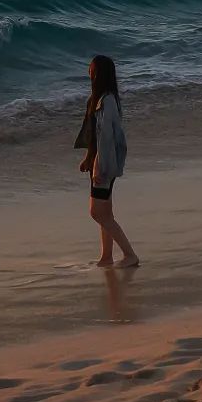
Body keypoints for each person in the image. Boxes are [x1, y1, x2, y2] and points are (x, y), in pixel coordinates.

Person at [77, 54, 138, 267]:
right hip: (101, 161)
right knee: (105, 213)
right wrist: (88, 158)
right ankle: (106, 257)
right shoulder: (100, 98)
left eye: (91, 68)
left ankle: (130, 255)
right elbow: (94, 135)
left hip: (105, 163)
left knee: (97, 212)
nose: (88, 71)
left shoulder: (107, 101)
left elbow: (107, 137)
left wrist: (99, 165)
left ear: (99, 73)